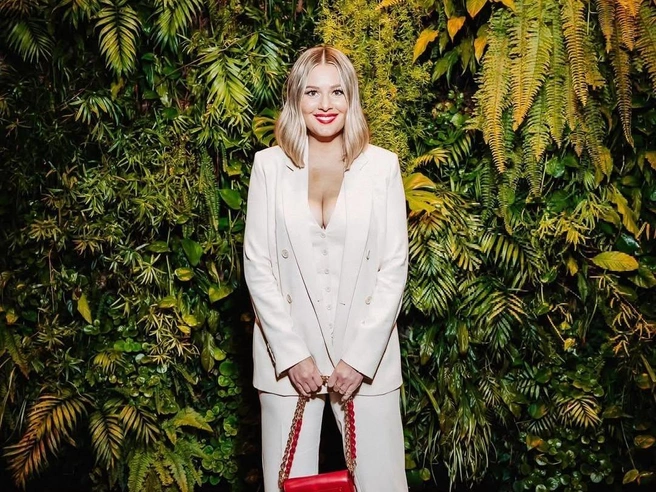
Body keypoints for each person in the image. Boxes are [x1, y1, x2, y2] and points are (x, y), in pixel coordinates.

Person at [243, 46, 409, 492]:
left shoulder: (382, 167)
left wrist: (359, 359)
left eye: (337, 92)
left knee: (382, 484)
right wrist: (292, 355)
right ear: (295, 98)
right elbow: (258, 265)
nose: (325, 104)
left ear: (351, 98)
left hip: (366, 360)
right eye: (312, 92)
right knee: (286, 485)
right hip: (287, 362)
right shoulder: (268, 167)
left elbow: (393, 267)